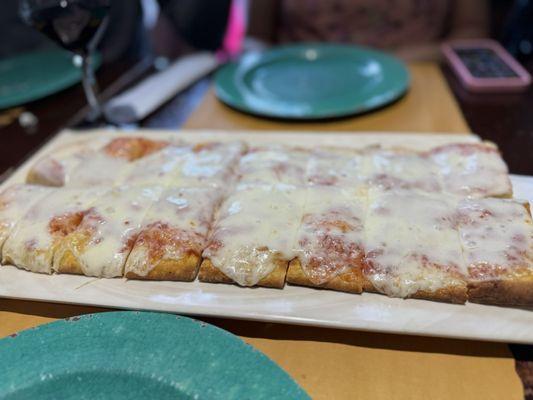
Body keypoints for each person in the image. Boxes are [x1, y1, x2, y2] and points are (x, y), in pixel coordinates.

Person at [250, 0, 489, 61]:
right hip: (295, 88)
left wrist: (391, 62)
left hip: (421, 77)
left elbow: (472, 33)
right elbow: (254, 39)